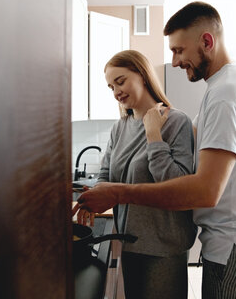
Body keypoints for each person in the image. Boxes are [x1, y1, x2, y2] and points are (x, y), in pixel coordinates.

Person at [73, 2, 236, 299]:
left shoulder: (227, 95)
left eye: (179, 50)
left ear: (206, 42)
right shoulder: (219, 92)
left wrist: (121, 190)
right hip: (227, 243)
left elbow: (204, 192)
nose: (174, 60)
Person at [76, 49, 197, 299]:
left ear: (142, 75)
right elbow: (106, 174)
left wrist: (154, 136)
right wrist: (93, 198)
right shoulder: (120, 128)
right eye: (111, 87)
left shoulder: (176, 122)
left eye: (120, 81)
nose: (116, 91)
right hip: (130, 243)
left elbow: (178, 186)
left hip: (163, 247)